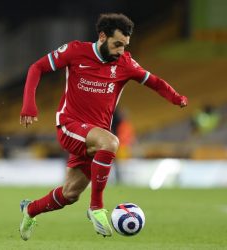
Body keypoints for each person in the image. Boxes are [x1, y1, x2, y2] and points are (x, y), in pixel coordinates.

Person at [19, 13, 188, 240]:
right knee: (111, 141)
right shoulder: (75, 51)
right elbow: (36, 68)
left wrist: (176, 98)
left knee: (70, 194)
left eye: (125, 45)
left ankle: (30, 210)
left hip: (93, 139)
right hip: (70, 126)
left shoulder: (125, 63)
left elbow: (154, 82)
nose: (121, 50)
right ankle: (96, 207)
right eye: (117, 44)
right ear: (102, 36)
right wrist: (29, 105)